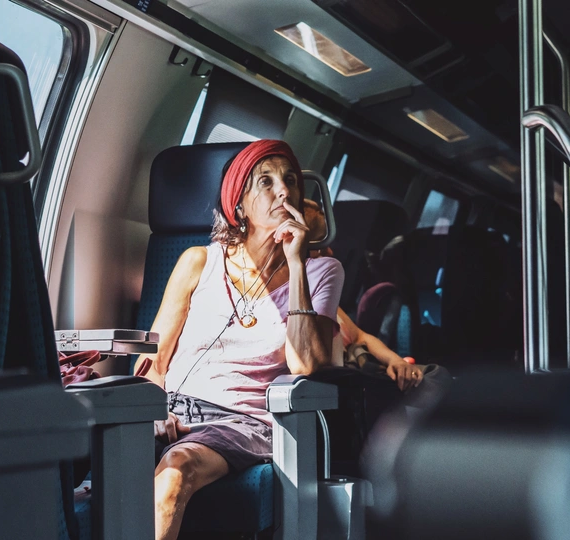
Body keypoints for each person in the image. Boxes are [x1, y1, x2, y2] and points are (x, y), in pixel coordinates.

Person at [133, 140, 344, 540]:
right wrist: (154, 410)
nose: (283, 191)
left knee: (177, 469)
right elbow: (154, 361)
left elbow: (305, 365)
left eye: (291, 180)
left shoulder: (322, 271)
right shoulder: (198, 261)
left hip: (243, 423)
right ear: (239, 205)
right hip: (173, 411)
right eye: (266, 181)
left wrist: (296, 263)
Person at [303, 201, 427, 393]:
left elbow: (360, 336)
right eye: (321, 244)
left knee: (434, 376)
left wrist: (395, 361)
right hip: (344, 388)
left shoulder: (324, 299)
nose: (330, 252)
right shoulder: (295, 306)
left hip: (360, 376)